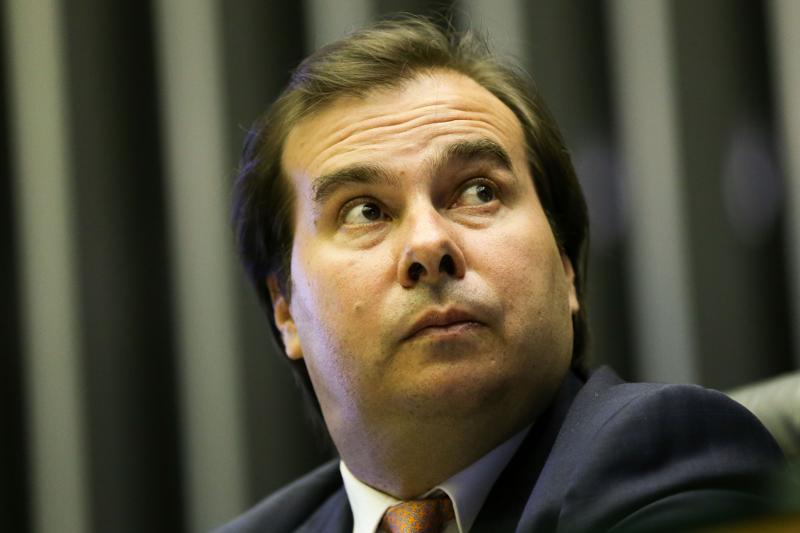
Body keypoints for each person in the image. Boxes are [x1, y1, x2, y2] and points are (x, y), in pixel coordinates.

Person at [217, 16, 783, 533]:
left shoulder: (668, 454)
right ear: (285, 310)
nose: (429, 244)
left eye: (478, 192)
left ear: (566, 267)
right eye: (366, 211)